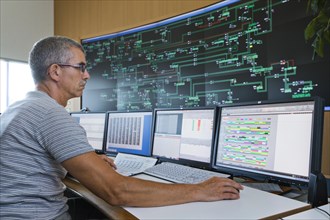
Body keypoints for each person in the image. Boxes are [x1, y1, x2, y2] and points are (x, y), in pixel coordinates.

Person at [0, 36, 243, 219]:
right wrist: (198, 190)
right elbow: (117, 191)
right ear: (55, 71)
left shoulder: (21, 107)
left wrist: (83, 167)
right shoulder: (50, 114)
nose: (87, 75)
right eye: (81, 67)